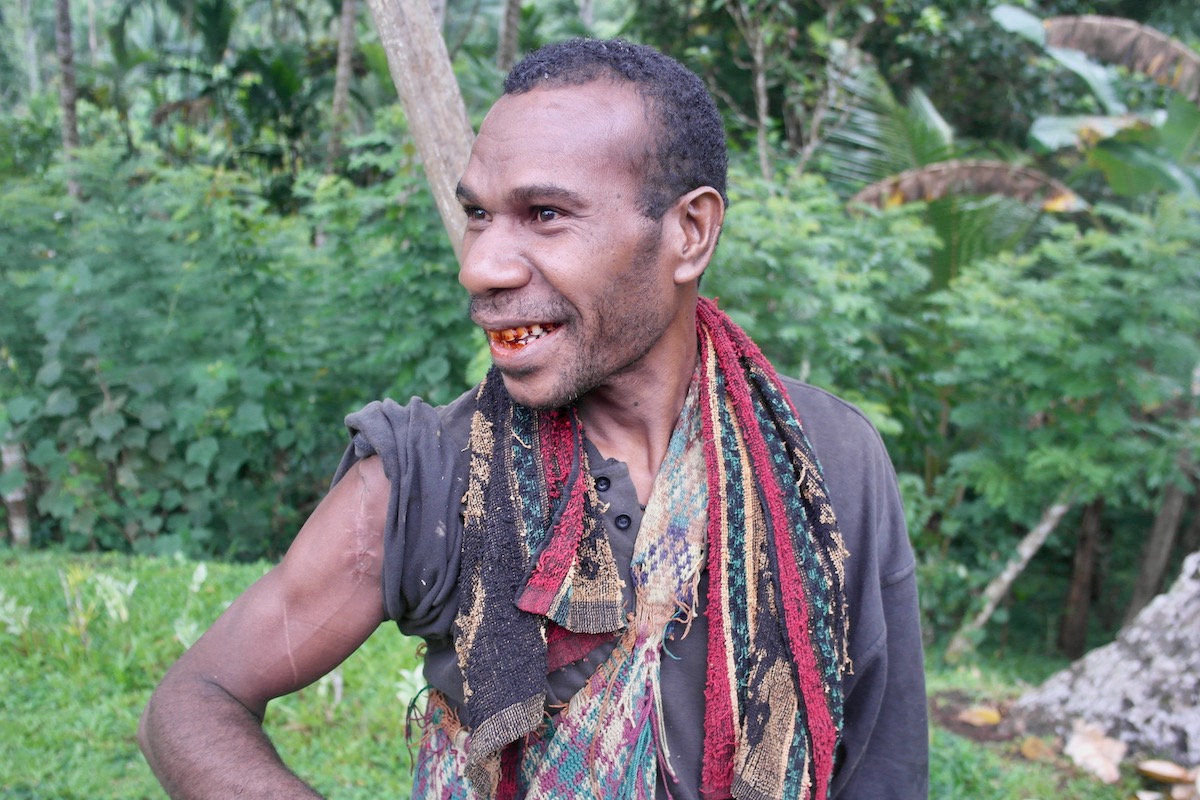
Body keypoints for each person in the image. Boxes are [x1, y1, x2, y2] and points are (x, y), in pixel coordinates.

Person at [139, 38, 928, 800]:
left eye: (545, 213)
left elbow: (883, 772)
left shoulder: (826, 459)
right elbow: (193, 701)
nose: (480, 266)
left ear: (689, 233)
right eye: (479, 214)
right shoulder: (432, 475)